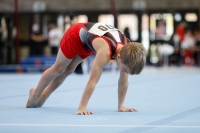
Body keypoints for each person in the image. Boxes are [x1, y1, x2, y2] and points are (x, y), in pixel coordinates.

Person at [26, 22, 146, 115]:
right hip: (75, 35)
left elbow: (123, 81)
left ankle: (45, 95)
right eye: (124, 69)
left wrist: (121, 105)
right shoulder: (105, 52)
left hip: (88, 43)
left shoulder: (129, 52)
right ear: (118, 56)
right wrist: (82, 107)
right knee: (59, 69)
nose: (124, 72)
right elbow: (92, 82)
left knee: (69, 70)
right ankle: (36, 94)